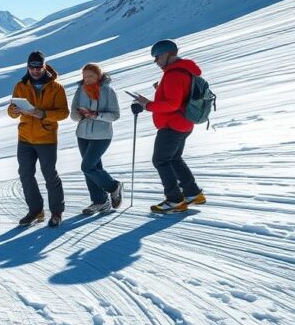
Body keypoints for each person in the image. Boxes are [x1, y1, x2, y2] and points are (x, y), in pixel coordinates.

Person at [131, 39, 206, 213]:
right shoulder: (184, 71)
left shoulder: (173, 74)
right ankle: (193, 193)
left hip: (172, 125)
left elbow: (172, 104)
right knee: (174, 159)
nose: (155, 61)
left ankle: (175, 200)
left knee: (160, 160)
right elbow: (180, 97)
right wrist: (160, 89)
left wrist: (147, 104)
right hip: (184, 123)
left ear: (168, 54)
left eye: (157, 57)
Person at [7, 51, 69, 227]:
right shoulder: (21, 85)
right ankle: (36, 211)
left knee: (50, 175)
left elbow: (63, 113)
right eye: (32, 67)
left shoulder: (56, 87)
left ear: (44, 66)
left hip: (46, 138)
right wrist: (14, 111)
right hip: (25, 137)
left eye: (38, 67)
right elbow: (11, 110)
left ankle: (56, 212)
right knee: (25, 174)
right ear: (28, 67)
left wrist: (41, 114)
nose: (35, 70)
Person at [70, 63, 123, 215]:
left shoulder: (108, 91)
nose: (87, 80)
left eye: (91, 76)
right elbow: (73, 113)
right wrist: (79, 115)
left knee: (87, 166)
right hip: (83, 134)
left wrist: (96, 115)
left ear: (99, 75)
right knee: (92, 169)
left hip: (102, 136)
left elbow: (115, 115)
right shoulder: (80, 90)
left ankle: (114, 186)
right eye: (84, 77)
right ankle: (100, 201)